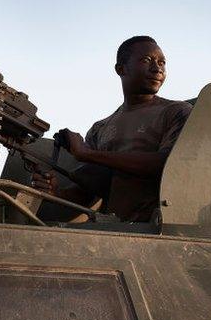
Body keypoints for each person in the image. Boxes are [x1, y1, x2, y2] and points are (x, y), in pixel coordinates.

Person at [32, 36, 192, 222]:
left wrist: (86, 153)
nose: (157, 69)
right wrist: (56, 192)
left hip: (157, 231)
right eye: (146, 60)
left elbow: (168, 166)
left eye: (162, 62)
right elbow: (88, 193)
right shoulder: (100, 129)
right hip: (112, 234)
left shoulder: (176, 112)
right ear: (121, 68)